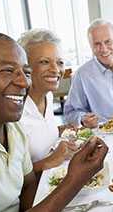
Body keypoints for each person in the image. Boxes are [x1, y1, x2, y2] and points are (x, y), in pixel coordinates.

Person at [0, 31, 108, 211]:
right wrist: (74, 180)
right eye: (8, 71)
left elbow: (27, 186)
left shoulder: (10, 122)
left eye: (26, 72)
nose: (24, 83)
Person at [17, 29, 77, 174]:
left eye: (60, 62)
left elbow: (38, 131)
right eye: (44, 62)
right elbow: (12, 181)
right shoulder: (14, 111)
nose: (56, 69)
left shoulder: (48, 96)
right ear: (25, 67)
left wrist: (61, 130)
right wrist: (49, 161)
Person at [64, 19, 113, 128]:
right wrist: (82, 119)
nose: (104, 49)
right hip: (104, 135)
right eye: (97, 44)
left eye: (108, 42)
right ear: (90, 45)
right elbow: (70, 113)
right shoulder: (82, 75)